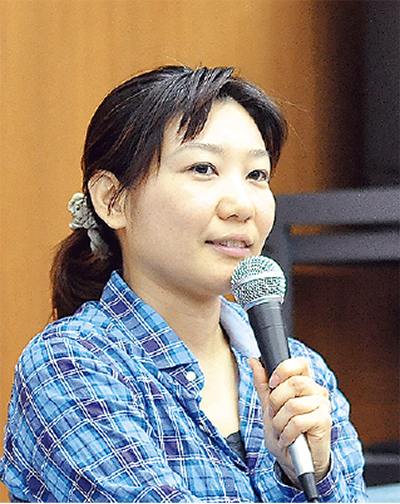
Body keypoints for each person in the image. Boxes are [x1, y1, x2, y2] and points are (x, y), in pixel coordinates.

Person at [0, 65, 367, 502]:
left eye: (257, 175)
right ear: (112, 200)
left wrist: (311, 473)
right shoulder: (71, 365)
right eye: (203, 168)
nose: (241, 205)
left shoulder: (302, 374)